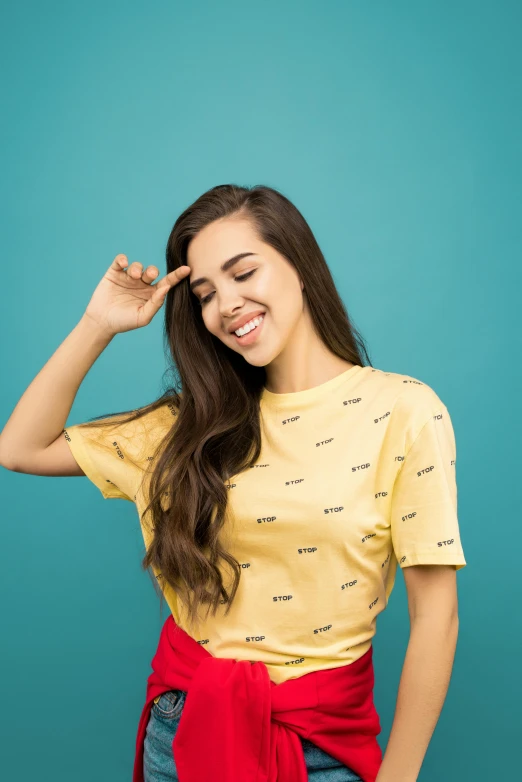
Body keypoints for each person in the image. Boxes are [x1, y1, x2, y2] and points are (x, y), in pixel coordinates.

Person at [0, 183, 467, 782]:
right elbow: (20, 447)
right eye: (205, 293)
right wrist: (98, 324)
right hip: (184, 730)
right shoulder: (186, 425)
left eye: (244, 273)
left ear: (299, 265)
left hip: (320, 746)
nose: (227, 305)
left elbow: (437, 616)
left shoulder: (403, 410)